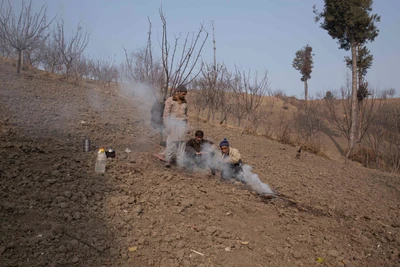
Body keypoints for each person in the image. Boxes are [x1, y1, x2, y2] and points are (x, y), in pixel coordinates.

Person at [163, 85, 190, 167]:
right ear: (178, 92)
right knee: (171, 142)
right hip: (172, 124)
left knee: (181, 144)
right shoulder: (170, 100)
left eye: (185, 94)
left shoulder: (185, 103)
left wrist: (188, 127)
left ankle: (180, 162)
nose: (184, 95)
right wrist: (167, 126)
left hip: (182, 125)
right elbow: (166, 114)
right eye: (183, 94)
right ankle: (168, 160)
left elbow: (187, 116)